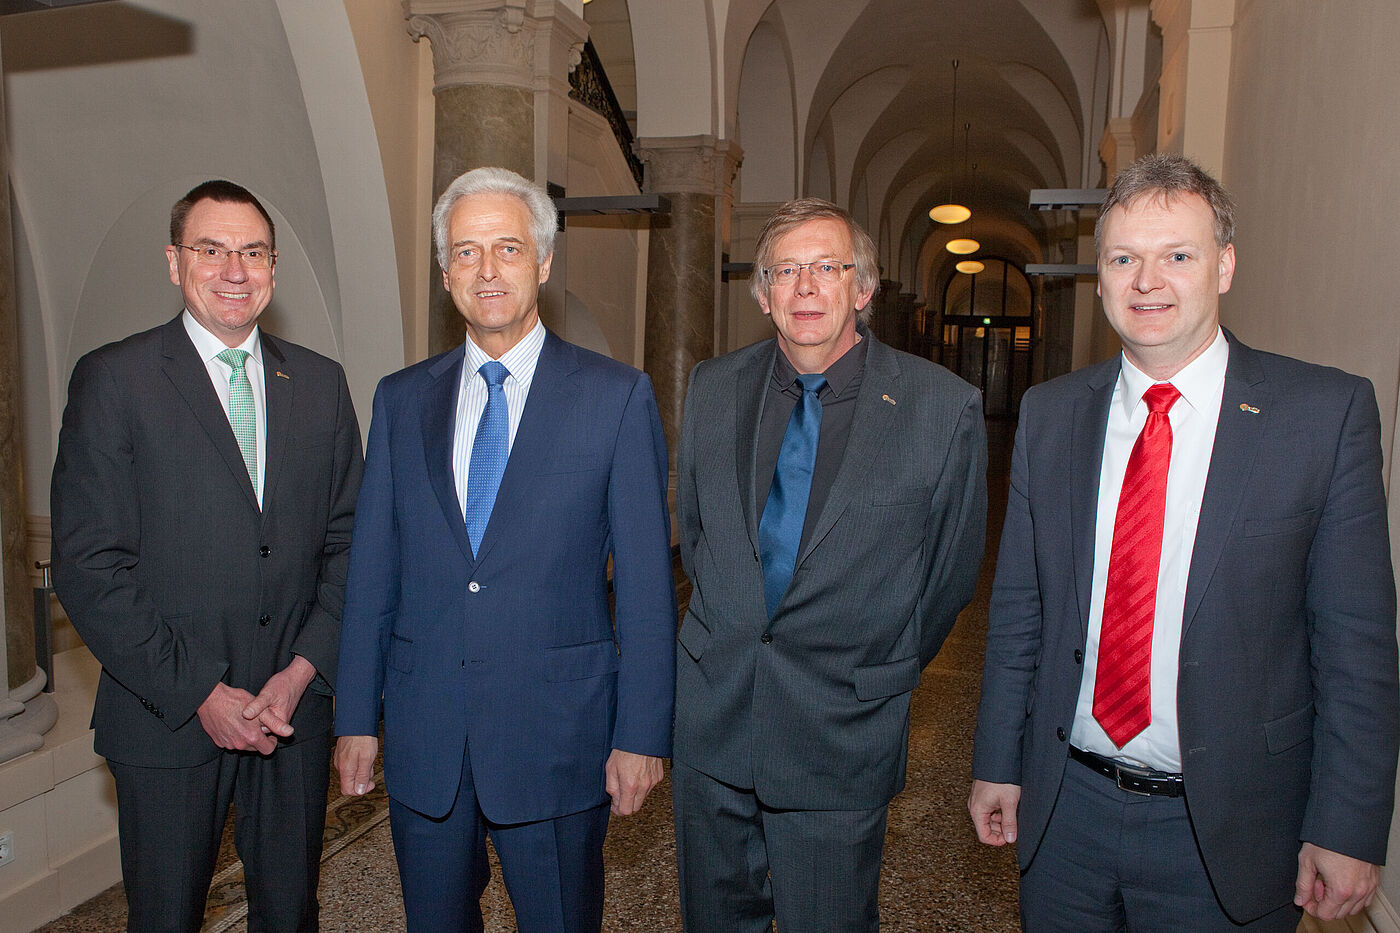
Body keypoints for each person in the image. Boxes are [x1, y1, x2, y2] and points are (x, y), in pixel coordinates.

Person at [969, 153, 1399, 931]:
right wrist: (998, 760)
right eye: (1124, 258)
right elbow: (1021, 611)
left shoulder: (1322, 417)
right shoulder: (1051, 414)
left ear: (1225, 266)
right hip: (1069, 810)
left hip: (1232, 828)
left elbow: (1357, 644)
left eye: (1177, 255)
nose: (1147, 281)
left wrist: (1347, 822)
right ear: (1098, 277)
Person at [333, 166, 676, 933]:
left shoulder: (615, 397)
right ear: (444, 270)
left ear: (544, 263)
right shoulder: (399, 400)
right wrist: (356, 713)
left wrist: (641, 733)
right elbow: (373, 574)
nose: (487, 270)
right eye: (466, 252)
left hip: (558, 737)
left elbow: (649, 587)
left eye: (508, 248)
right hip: (428, 738)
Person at [49, 180, 364, 931]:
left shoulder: (320, 384)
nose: (233, 269)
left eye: (252, 252)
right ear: (173, 261)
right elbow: (89, 565)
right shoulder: (115, 380)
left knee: (290, 913)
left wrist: (300, 671)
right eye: (212, 249)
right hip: (165, 716)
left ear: (273, 268)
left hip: (292, 716)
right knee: (165, 916)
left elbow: (351, 541)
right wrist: (202, 692)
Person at [672, 197, 987, 931]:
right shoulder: (714, 389)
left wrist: (881, 664)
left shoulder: (942, 408)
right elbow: (699, 535)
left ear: (863, 288)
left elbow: (948, 576)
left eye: (827, 267)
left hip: (841, 726)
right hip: (712, 721)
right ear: (762, 293)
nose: (806, 286)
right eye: (786, 270)